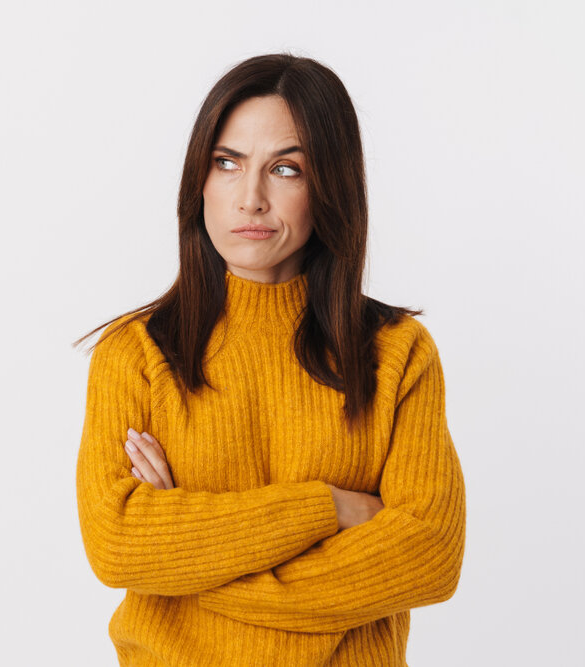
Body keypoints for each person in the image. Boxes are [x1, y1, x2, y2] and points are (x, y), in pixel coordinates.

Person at [72, 53, 466, 666]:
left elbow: (431, 554)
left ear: (329, 186)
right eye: (226, 163)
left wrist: (189, 558)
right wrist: (331, 507)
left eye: (286, 169)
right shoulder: (136, 353)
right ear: (199, 181)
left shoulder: (396, 352)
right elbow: (118, 544)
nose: (250, 198)